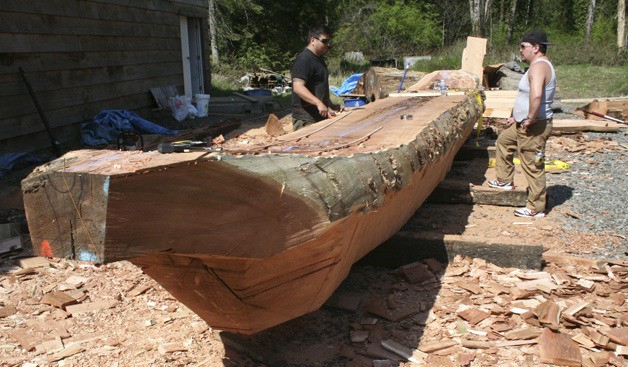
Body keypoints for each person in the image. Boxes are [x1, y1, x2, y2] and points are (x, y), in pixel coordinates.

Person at [488, 30, 557, 218]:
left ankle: (536, 208)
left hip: (534, 125)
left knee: (532, 165)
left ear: (536, 48)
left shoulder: (539, 67)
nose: (520, 50)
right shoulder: (535, 66)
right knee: (504, 141)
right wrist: (515, 116)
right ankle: (504, 180)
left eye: (523, 46)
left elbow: (536, 95)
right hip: (523, 123)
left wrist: (531, 118)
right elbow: (524, 96)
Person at [291, 25, 341, 131]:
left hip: (319, 117)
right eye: (324, 41)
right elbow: (298, 88)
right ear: (313, 40)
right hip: (306, 120)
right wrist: (318, 103)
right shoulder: (304, 60)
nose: (327, 44)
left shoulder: (319, 59)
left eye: (328, 41)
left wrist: (330, 104)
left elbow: (318, 85)